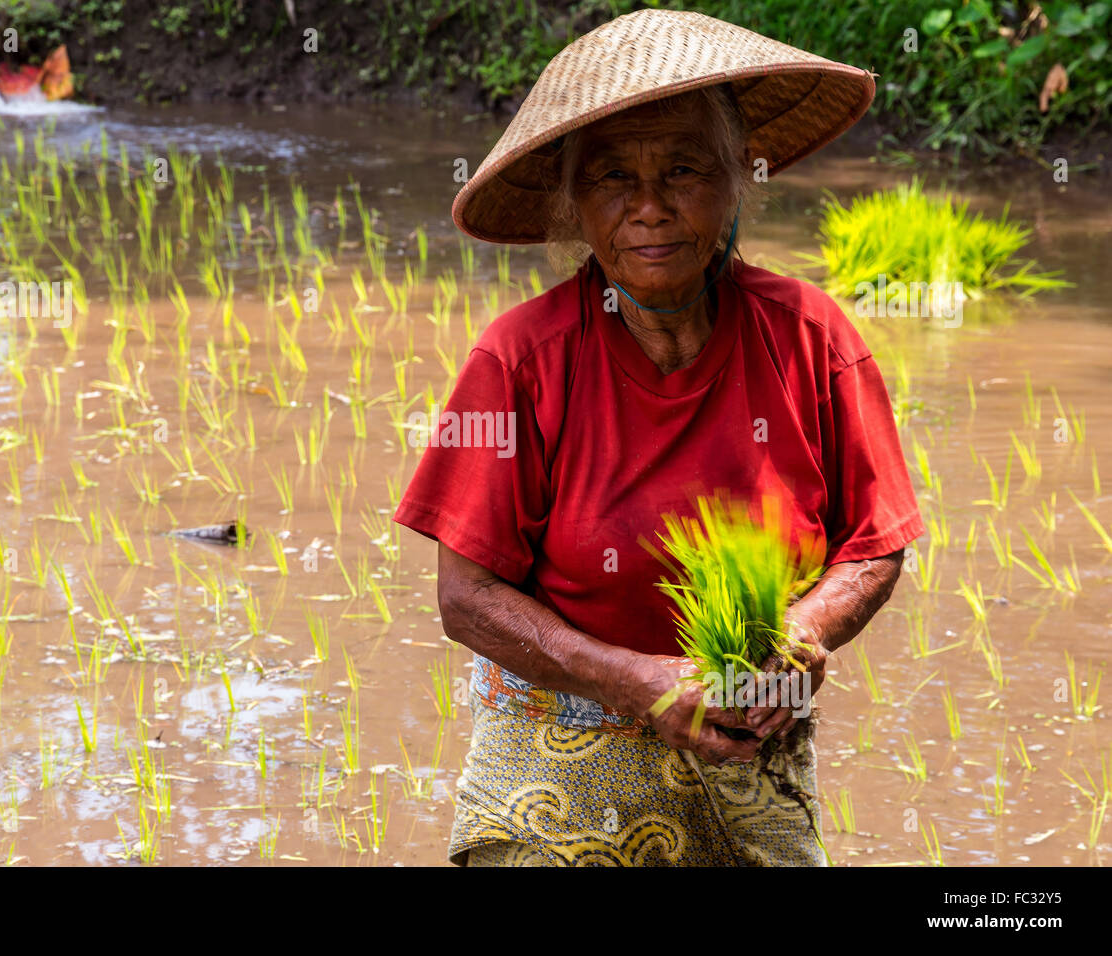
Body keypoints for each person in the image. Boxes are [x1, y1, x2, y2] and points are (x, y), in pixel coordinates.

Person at [393, 9, 925, 866]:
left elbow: (875, 546)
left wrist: (807, 629)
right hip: (556, 765)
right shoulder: (518, 358)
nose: (650, 208)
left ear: (732, 180)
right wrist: (630, 679)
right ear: (572, 203)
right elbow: (467, 598)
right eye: (612, 179)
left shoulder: (811, 337)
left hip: (754, 748)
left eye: (683, 169)